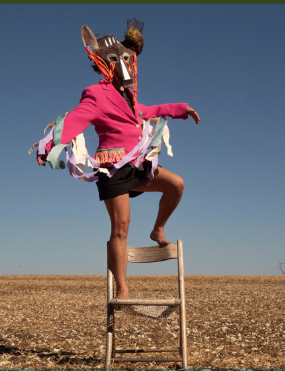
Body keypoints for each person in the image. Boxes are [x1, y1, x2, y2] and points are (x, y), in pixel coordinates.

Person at [35, 19, 200, 298]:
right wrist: (49, 143)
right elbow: (76, 119)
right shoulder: (96, 94)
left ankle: (157, 230)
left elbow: (145, 112)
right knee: (121, 227)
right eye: (117, 59)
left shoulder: (129, 95)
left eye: (128, 58)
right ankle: (122, 288)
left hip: (136, 165)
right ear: (104, 63)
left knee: (177, 184)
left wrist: (180, 108)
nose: (124, 63)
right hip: (112, 169)